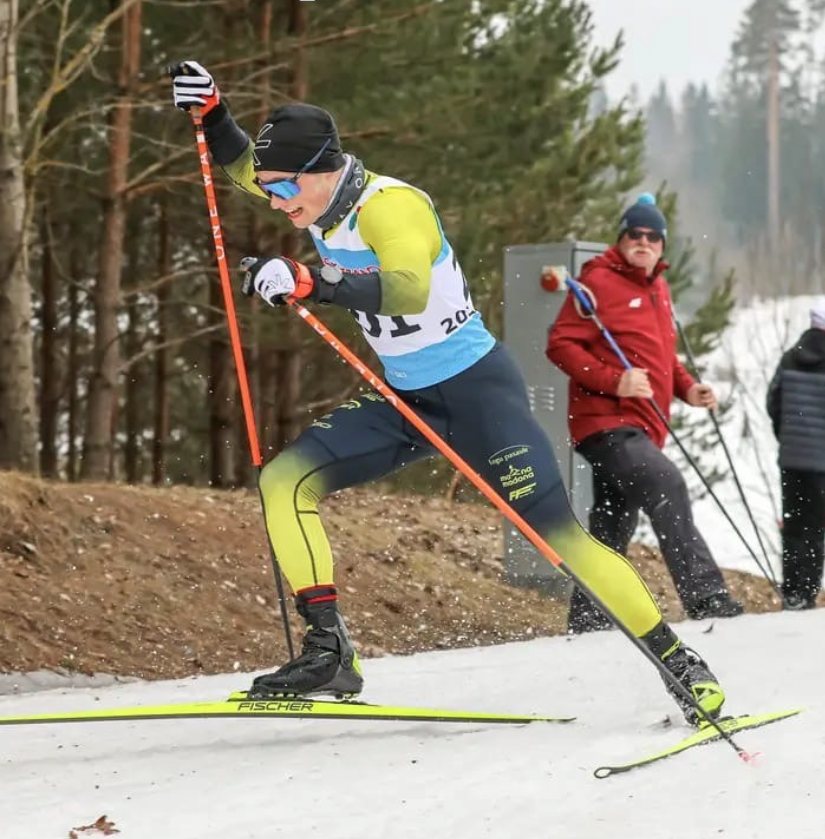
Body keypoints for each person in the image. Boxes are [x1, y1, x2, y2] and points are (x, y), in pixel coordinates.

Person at [171, 61, 726, 725]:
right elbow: (239, 166)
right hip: (404, 397)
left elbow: (405, 287)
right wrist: (213, 113)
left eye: (284, 187)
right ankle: (328, 648)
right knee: (284, 479)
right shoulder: (312, 194)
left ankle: (680, 665)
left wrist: (310, 283)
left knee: (559, 537)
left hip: (477, 393)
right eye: (270, 190)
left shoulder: (392, 206)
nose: (277, 201)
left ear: (324, 168)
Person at [545, 194, 743, 634]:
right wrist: (613, 380)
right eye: (635, 233)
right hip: (607, 423)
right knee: (666, 484)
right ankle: (706, 596)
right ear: (621, 238)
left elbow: (661, 357)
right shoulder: (597, 281)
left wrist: (688, 387)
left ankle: (590, 616)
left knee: (612, 521)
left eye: (654, 237)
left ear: (663, 246)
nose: (644, 242)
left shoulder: (658, 287)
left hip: (643, 425)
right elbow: (560, 343)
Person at [766, 299, 825, 611]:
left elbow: (773, 402)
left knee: (794, 527)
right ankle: (809, 594)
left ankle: (793, 594)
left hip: (792, 459)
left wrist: (785, 438)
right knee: (816, 530)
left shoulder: (791, 357)